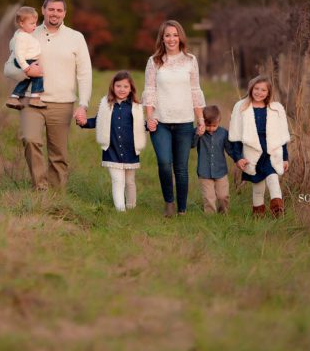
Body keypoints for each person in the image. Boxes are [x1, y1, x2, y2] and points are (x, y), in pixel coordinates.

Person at [3, 0, 92, 191]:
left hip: (62, 103)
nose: (55, 13)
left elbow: (84, 73)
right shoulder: (28, 34)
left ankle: (56, 195)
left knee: (58, 153)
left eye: (59, 10)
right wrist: (26, 71)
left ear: (65, 13)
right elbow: (8, 68)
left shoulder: (76, 38)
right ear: (43, 10)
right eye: (51, 9)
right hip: (31, 100)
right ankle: (40, 187)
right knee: (30, 139)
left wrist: (83, 104)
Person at [142, 20, 206, 217]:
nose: (171, 39)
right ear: (162, 38)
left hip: (185, 122)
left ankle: (182, 209)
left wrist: (200, 120)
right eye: (167, 35)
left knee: (181, 168)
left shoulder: (190, 60)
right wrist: (149, 117)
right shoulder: (154, 61)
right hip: (160, 122)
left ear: (181, 37)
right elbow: (150, 90)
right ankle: (169, 202)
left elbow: (195, 91)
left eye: (175, 35)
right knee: (163, 162)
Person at [77, 71, 146, 211]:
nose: (122, 89)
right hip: (111, 149)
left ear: (131, 88)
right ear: (113, 87)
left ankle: (131, 207)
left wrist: (151, 125)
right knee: (117, 180)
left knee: (129, 181)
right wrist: (83, 122)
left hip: (130, 150)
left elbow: (141, 125)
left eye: (125, 86)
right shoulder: (106, 104)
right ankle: (120, 210)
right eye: (118, 86)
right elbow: (98, 121)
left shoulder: (136, 106)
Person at [229, 76, 291, 217]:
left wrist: (285, 157)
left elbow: (282, 136)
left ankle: (278, 210)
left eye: (263, 90)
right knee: (258, 186)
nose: (259, 92)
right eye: (256, 89)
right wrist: (238, 157)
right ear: (251, 88)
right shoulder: (241, 107)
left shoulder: (276, 108)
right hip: (252, 152)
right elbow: (235, 136)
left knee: (273, 178)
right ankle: (258, 215)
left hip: (271, 152)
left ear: (268, 92)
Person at [192, 105, 238, 214]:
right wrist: (198, 134)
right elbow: (192, 145)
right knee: (209, 197)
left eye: (214, 126)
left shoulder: (223, 133)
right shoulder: (199, 132)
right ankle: (210, 217)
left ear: (219, 122)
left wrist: (238, 159)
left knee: (223, 196)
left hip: (221, 171)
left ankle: (224, 214)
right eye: (208, 126)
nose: (211, 128)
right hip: (204, 171)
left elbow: (230, 149)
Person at [6, 6, 46, 110]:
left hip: (27, 60)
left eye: (35, 23)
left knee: (26, 80)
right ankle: (35, 98)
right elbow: (19, 53)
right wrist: (26, 67)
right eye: (32, 23)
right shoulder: (21, 37)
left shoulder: (25, 35)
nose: (35, 26)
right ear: (22, 24)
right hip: (25, 61)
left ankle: (14, 97)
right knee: (38, 75)